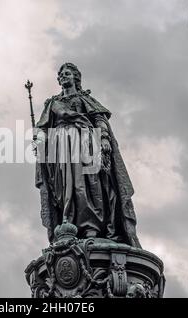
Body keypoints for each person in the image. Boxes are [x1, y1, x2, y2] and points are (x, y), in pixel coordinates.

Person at [34, 62, 141, 248]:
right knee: (63, 187)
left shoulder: (84, 99)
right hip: (60, 147)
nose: (63, 77)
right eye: (61, 75)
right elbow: (43, 128)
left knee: (88, 185)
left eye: (67, 73)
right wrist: (40, 139)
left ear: (76, 77)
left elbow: (99, 118)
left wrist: (105, 138)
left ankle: (91, 226)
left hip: (85, 142)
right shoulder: (52, 103)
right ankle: (68, 222)